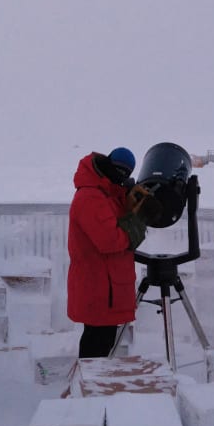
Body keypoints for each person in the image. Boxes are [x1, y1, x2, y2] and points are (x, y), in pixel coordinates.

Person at [66, 146, 150, 359]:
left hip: (106, 288)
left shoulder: (106, 193)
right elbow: (109, 240)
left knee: (100, 344)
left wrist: (129, 203)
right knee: (96, 350)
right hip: (99, 289)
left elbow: (113, 219)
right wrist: (137, 222)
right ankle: (88, 390)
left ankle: (89, 389)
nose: (122, 177)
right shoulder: (91, 197)